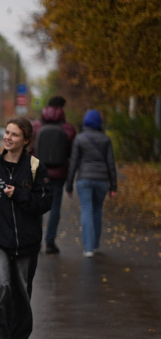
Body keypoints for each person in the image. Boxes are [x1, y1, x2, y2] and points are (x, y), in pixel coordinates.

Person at [0, 118, 52, 339]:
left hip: (27, 241)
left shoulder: (35, 167)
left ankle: (17, 337)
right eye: (7, 132)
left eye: (14, 134)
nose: (8, 137)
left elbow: (45, 202)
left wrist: (21, 195)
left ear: (25, 140)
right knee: (2, 285)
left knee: (22, 288)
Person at [66, 109, 117, 258]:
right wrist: (113, 186)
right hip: (102, 181)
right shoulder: (106, 139)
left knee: (87, 211)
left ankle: (88, 248)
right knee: (97, 211)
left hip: (84, 180)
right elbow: (111, 164)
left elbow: (73, 163)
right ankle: (95, 245)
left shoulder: (79, 139)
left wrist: (69, 185)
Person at [32, 96, 76, 254]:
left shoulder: (36, 126)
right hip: (59, 173)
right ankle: (50, 242)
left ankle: (36, 241)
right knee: (55, 206)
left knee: (37, 206)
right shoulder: (68, 129)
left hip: (38, 172)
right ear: (62, 108)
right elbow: (72, 153)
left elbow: (29, 149)